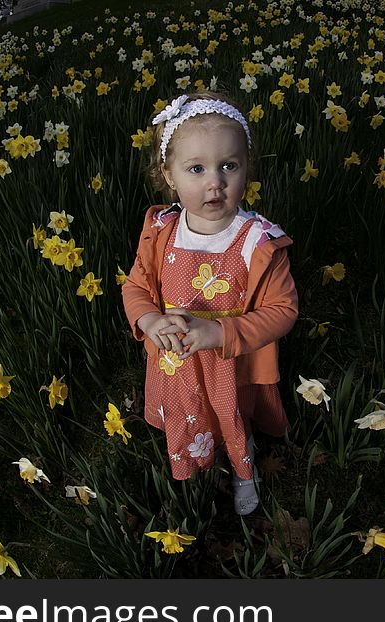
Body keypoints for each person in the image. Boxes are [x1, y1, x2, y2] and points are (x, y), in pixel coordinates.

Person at [122, 92, 298, 515]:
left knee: (233, 416)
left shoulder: (257, 243)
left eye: (229, 166)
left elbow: (283, 311)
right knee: (189, 414)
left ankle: (243, 468)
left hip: (229, 361)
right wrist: (148, 321)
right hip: (176, 361)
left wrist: (218, 332)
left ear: (246, 168)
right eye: (196, 169)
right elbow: (136, 288)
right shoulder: (161, 230)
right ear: (169, 175)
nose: (214, 182)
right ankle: (197, 461)